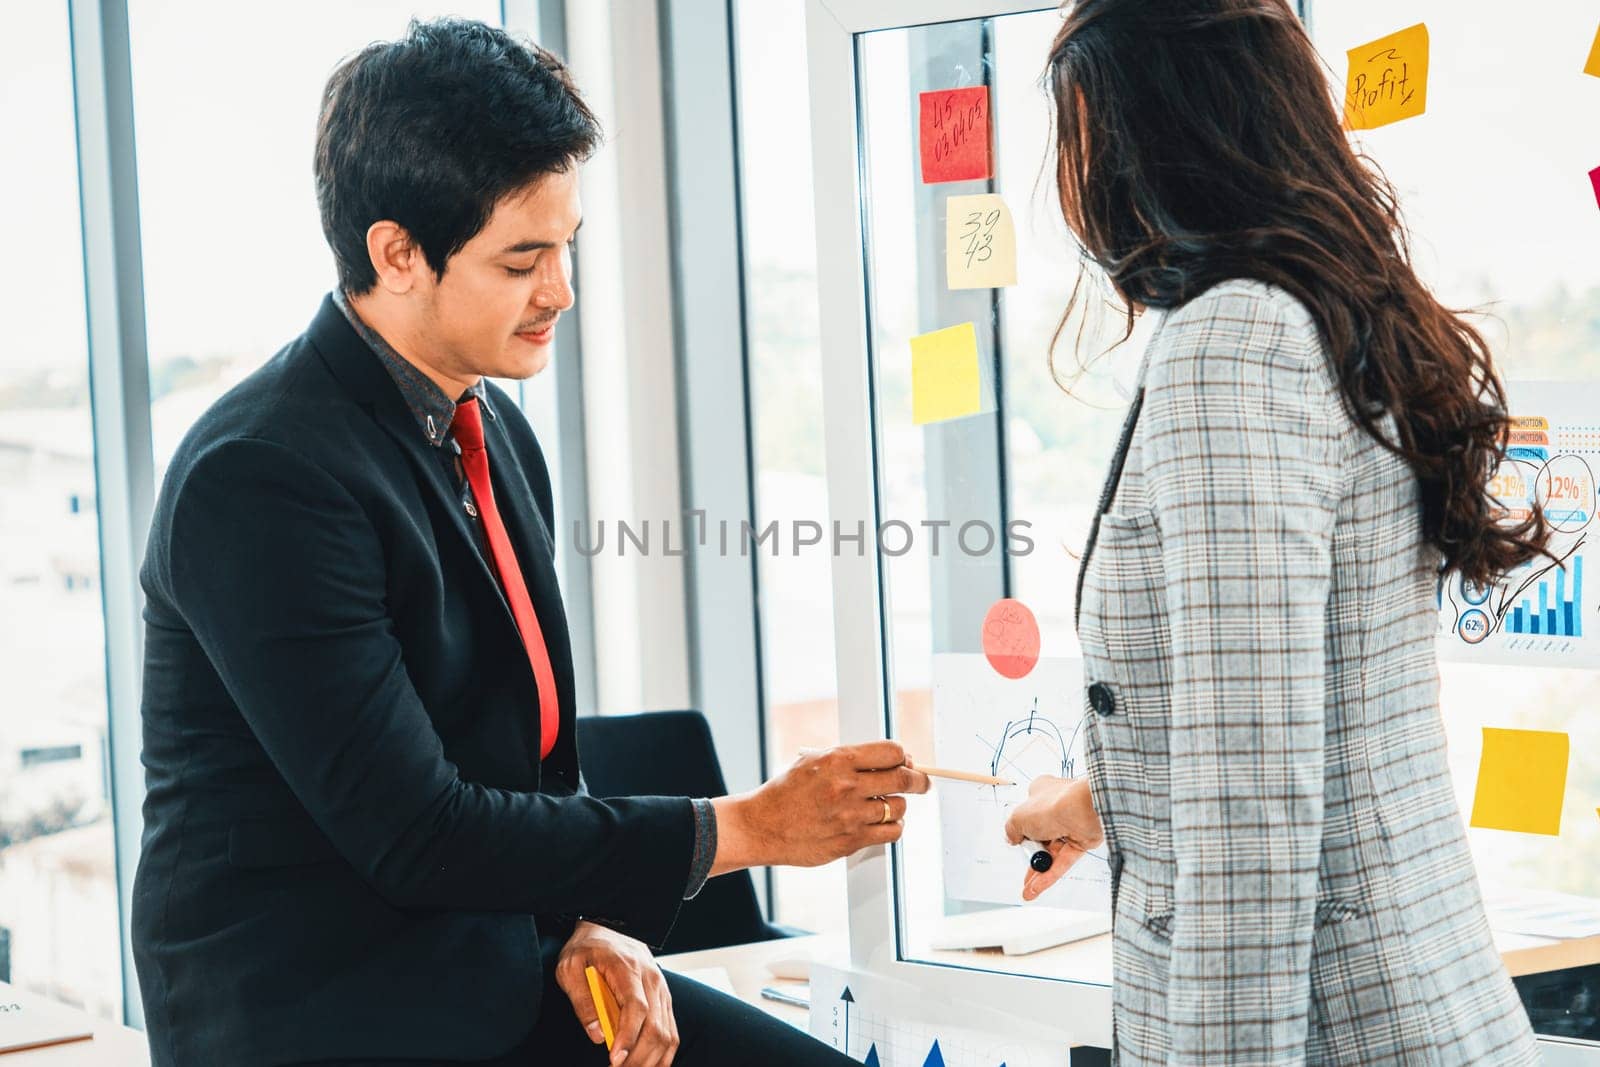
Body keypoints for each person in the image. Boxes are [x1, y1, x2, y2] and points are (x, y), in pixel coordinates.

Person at [131, 19, 924, 1067]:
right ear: (396, 253)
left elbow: (528, 775)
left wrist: (583, 924)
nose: (562, 290)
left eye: (568, 246)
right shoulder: (263, 475)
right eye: (523, 258)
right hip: (320, 1012)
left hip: (480, 963)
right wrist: (751, 828)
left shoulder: (490, 428)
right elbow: (418, 832)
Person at [1003, 2, 1548, 1064]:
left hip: (1340, 1025)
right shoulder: (1329, 310)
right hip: (1412, 998)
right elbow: (1302, 712)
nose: (1068, 182)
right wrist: (1101, 797)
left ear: (1146, 140)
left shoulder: (1231, 340)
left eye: (1075, 132)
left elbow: (1253, 811)